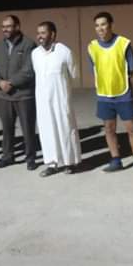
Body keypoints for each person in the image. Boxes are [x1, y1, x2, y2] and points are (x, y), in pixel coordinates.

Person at [87, 12, 133, 174]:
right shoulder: (92, 47)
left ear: (111, 25)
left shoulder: (123, 43)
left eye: (103, 24)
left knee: (131, 128)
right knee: (109, 129)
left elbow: (132, 68)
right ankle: (116, 160)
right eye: (97, 25)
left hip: (123, 94)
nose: (100, 28)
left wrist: (120, 81)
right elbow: (94, 70)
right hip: (104, 95)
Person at [32, 21, 82, 177]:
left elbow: (74, 75)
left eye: (43, 33)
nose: (40, 36)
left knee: (65, 129)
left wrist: (63, 91)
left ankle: (69, 162)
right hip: (43, 102)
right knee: (47, 131)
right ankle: (52, 163)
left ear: (52, 34)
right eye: (38, 33)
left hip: (61, 100)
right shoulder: (35, 54)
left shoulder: (64, 51)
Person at [0, 15, 37, 170]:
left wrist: (11, 83)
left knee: (27, 129)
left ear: (17, 27)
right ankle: (7, 156)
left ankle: (31, 158)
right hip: (5, 96)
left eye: (8, 26)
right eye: (3, 27)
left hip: (24, 96)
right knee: (7, 128)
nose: (5, 29)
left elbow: (29, 70)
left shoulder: (29, 44)